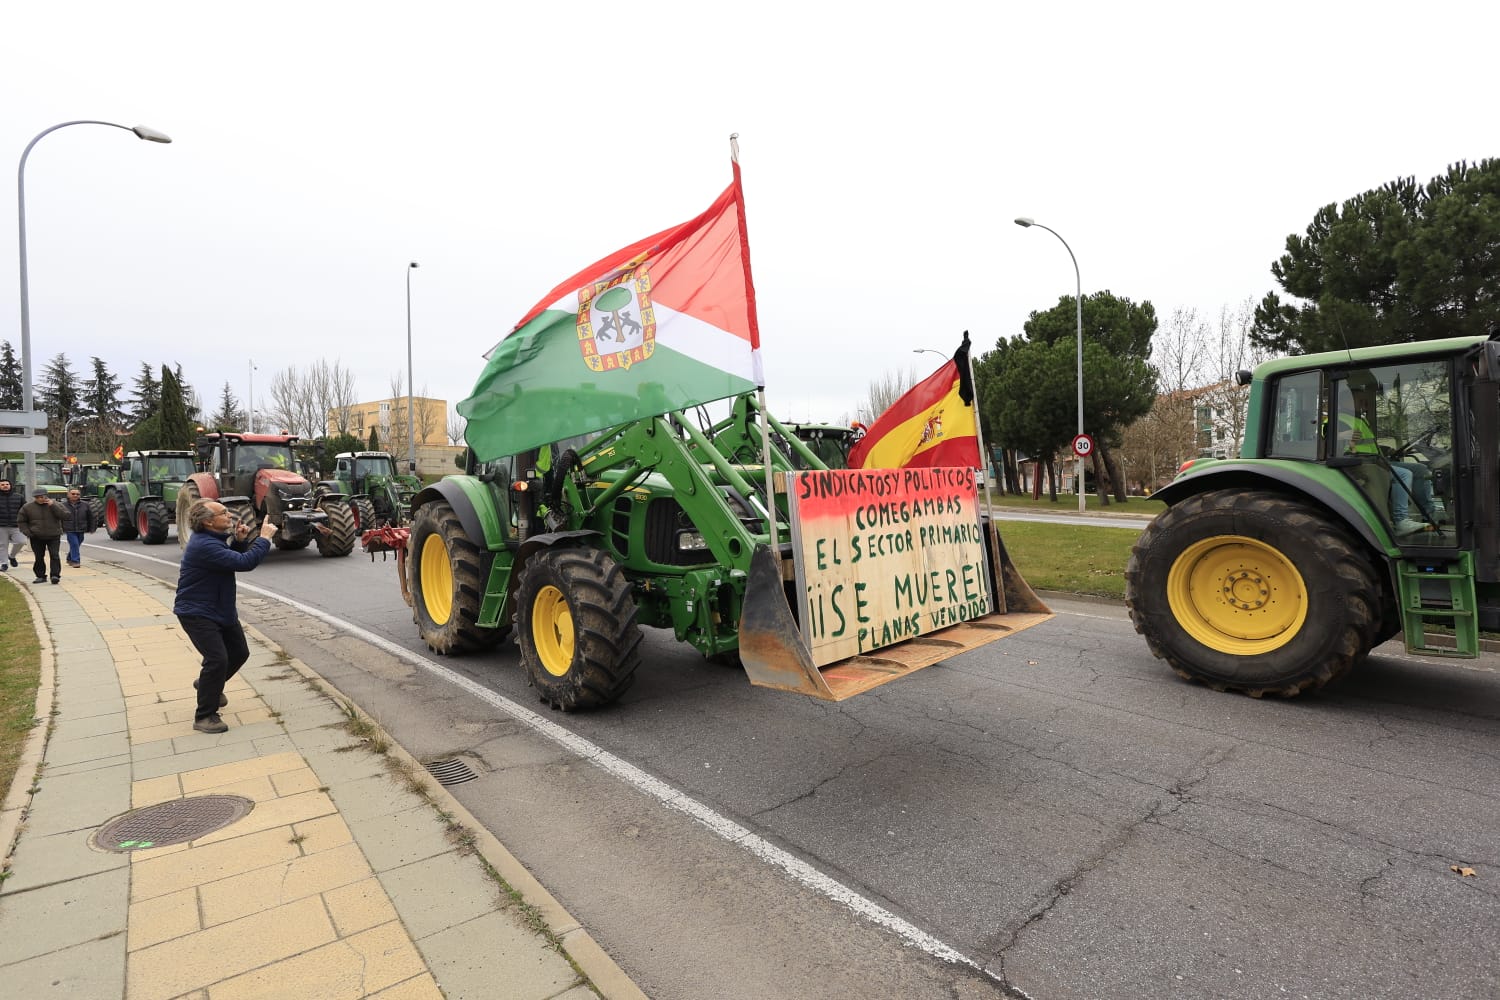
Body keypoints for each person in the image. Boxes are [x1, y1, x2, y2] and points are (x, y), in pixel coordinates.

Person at [173, 500, 277, 734]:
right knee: (217, 659)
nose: (229, 515)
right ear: (208, 521)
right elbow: (244, 563)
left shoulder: (213, 541)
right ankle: (204, 716)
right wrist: (264, 538)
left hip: (220, 610)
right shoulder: (203, 545)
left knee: (240, 653)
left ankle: (209, 684)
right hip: (197, 612)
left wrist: (239, 542)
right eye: (223, 513)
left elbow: (229, 559)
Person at [17, 489, 66, 584]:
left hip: (54, 535)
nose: (41, 499)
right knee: (39, 556)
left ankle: (55, 575)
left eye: (43, 497)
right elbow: (21, 521)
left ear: (46, 496)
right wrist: (28, 532)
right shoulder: (27, 507)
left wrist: (53, 506)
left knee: (54, 555)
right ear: (35, 498)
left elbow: (65, 516)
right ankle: (40, 576)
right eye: (38, 497)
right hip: (36, 536)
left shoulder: (56, 504)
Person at [61, 487, 97, 567]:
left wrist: (92, 528)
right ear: (68, 495)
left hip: (81, 528)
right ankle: (75, 561)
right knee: (74, 544)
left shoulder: (85, 505)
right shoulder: (63, 505)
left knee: (77, 543)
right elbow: (59, 518)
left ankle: (69, 557)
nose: (75, 495)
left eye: (77, 494)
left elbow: (91, 517)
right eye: (73, 494)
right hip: (69, 528)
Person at [0, 478, 24, 572]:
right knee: (2, 545)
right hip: (1, 526)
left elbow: (24, 510)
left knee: (21, 541)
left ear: (10, 486)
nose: (5, 486)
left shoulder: (19, 497)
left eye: (7, 484)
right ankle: (4, 563)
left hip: (16, 525)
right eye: (2, 484)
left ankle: (12, 556)